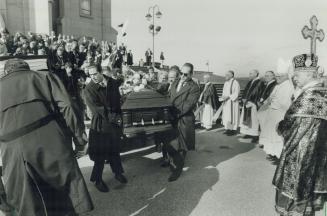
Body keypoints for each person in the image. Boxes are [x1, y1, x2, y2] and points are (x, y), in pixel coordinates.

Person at [0, 59, 93, 216]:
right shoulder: (44, 77)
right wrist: (79, 139)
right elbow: (68, 107)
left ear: (6, 72)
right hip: (50, 139)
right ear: (27, 68)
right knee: (65, 193)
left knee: (29, 203)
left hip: (13, 149)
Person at [273, 53, 327, 216]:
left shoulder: (307, 98)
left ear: (309, 74)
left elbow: (290, 127)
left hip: (300, 154)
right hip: (317, 153)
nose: (294, 78)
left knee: (295, 200)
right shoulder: (322, 94)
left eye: (297, 74)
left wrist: (279, 126)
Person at [83, 65, 127, 193]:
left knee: (115, 149)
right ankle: (97, 180)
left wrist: (119, 116)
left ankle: (118, 173)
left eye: (95, 73)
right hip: (101, 124)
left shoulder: (111, 82)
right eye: (90, 75)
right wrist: (115, 117)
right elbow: (97, 109)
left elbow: (117, 100)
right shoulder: (89, 89)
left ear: (101, 72)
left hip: (114, 121)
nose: (93, 77)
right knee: (100, 154)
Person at [169, 63, 200, 181]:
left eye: (185, 74)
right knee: (170, 143)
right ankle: (172, 163)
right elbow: (170, 97)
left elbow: (187, 105)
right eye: (181, 73)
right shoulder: (176, 82)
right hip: (172, 117)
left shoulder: (194, 88)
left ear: (191, 74)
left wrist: (172, 114)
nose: (182, 76)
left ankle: (177, 170)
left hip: (183, 119)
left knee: (182, 147)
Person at [258, 68, 294, 163]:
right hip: (273, 112)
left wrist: (272, 103)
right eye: (277, 76)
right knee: (272, 134)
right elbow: (271, 97)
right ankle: (274, 153)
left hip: (280, 113)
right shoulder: (279, 85)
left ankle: (280, 156)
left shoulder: (288, 86)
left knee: (278, 135)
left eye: (279, 76)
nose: (277, 78)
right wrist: (267, 102)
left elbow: (285, 103)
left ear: (286, 76)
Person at [239, 70, 265, 143]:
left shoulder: (260, 82)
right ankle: (248, 133)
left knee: (254, 120)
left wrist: (249, 100)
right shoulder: (251, 81)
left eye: (251, 73)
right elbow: (245, 91)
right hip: (246, 103)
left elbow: (258, 93)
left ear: (256, 74)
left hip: (253, 104)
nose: (249, 75)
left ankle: (255, 135)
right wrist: (243, 99)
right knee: (246, 118)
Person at [220, 70, 240, 136]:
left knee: (231, 116)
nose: (226, 76)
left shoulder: (235, 83)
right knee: (227, 116)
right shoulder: (226, 83)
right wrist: (223, 97)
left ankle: (232, 130)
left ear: (232, 75)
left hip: (232, 102)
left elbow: (236, 93)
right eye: (225, 75)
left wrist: (228, 97)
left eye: (227, 75)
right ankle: (227, 129)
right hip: (226, 102)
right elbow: (224, 91)